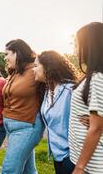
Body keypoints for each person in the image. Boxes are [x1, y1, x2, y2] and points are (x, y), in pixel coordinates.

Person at [1, 39, 45, 174]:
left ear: (17, 53)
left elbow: (58, 83)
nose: (5, 58)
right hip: (11, 127)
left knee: (9, 170)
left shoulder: (35, 69)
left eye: (7, 54)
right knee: (28, 171)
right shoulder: (15, 72)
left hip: (27, 127)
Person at [33, 50, 77, 174]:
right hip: (57, 155)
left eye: (36, 66)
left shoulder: (70, 90)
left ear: (47, 67)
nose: (33, 70)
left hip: (72, 156)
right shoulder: (47, 90)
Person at [69, 22, 103, 174]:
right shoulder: (90, 76)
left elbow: (96, 128)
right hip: (83, 158)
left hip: (93, 164)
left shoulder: (98, 78)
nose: (75, 50)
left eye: (76, 45)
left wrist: (80, 167)